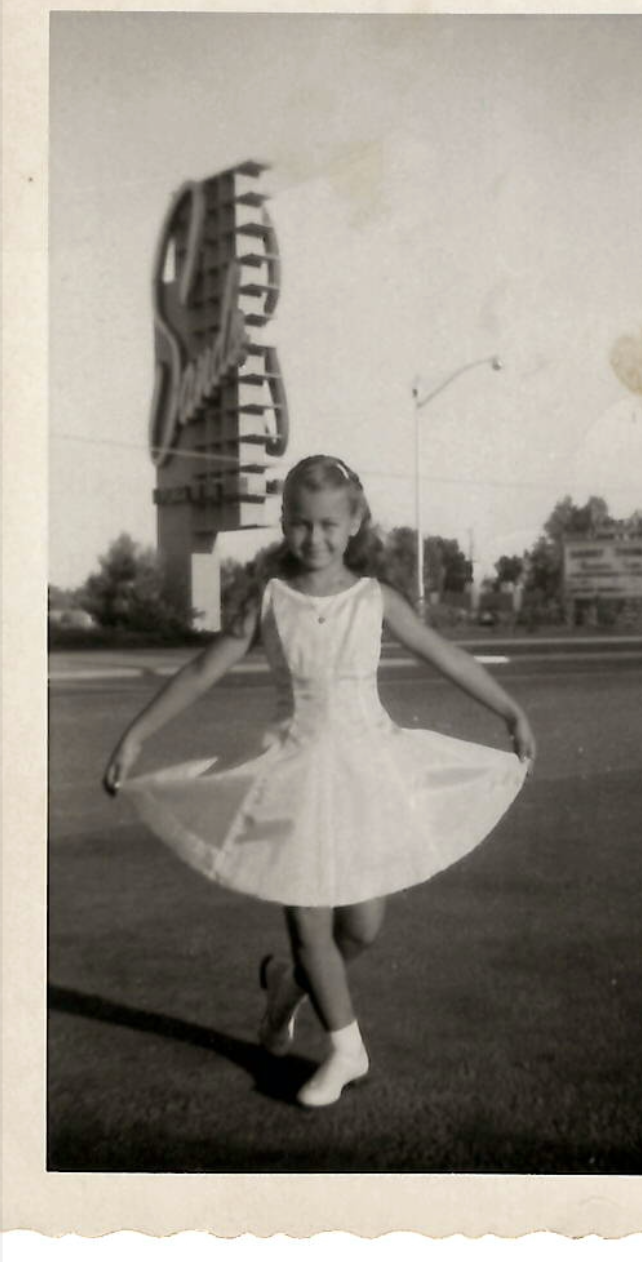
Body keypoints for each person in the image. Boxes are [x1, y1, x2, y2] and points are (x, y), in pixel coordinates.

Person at [103, 455, 536, 1108]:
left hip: (368, 771)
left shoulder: (375, 599)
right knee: (310, 923)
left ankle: (287, 986)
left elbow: (444, 653)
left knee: (360, 928)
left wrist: (508, 709)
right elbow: (201, 671)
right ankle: (345, 1049)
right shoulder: (269, 600)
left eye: (330, 524)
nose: (316, 538)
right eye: (301, 524)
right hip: (292, 775)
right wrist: (135, 735)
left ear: (356, 522)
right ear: (283, 524)